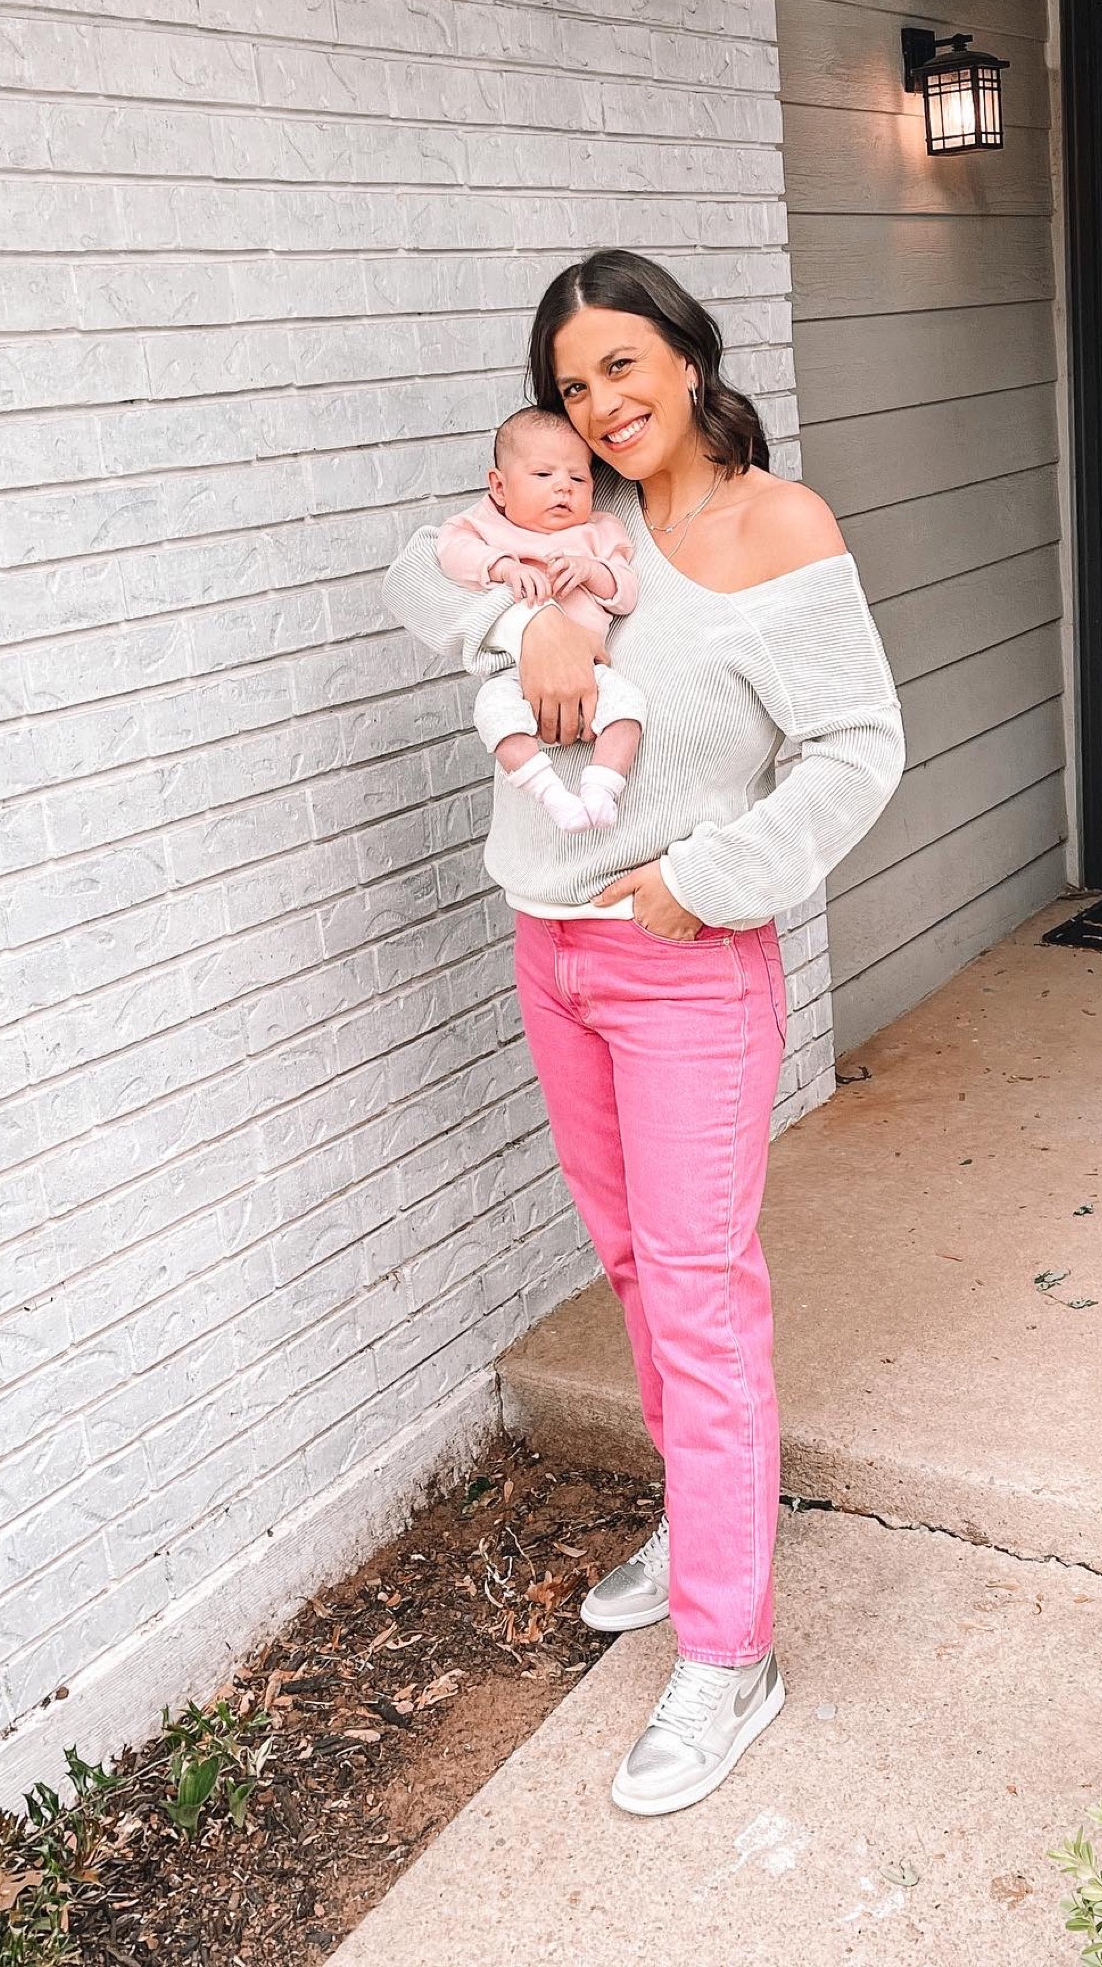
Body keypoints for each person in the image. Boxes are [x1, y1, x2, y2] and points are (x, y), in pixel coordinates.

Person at [382, 248, 906, 1817]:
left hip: (683, 964)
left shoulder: (778, 527)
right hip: (548, 947)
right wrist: (521, 638)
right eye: (568, 385)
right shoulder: (571, 518)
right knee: (626, 1267)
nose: (597, 406)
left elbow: (857, 749)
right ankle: (701, 1514)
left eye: (622, 367)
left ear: (685, 356)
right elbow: (416, 577)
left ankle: (727, 1655)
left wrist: (701, 878)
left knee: (697, 1296)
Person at [437, 406, 647, 833]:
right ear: (499, 486)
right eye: (542, 476)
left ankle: (601, 787)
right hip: (514, 674)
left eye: (577, 478)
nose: (562, 490)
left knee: (629, 709)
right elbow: (448, 550)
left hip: (592, 669)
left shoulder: (598, 531)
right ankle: (551, 795)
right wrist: (502, 568)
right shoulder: (486, 528)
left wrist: (593, 572)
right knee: (491, 711)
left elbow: (626, 592)